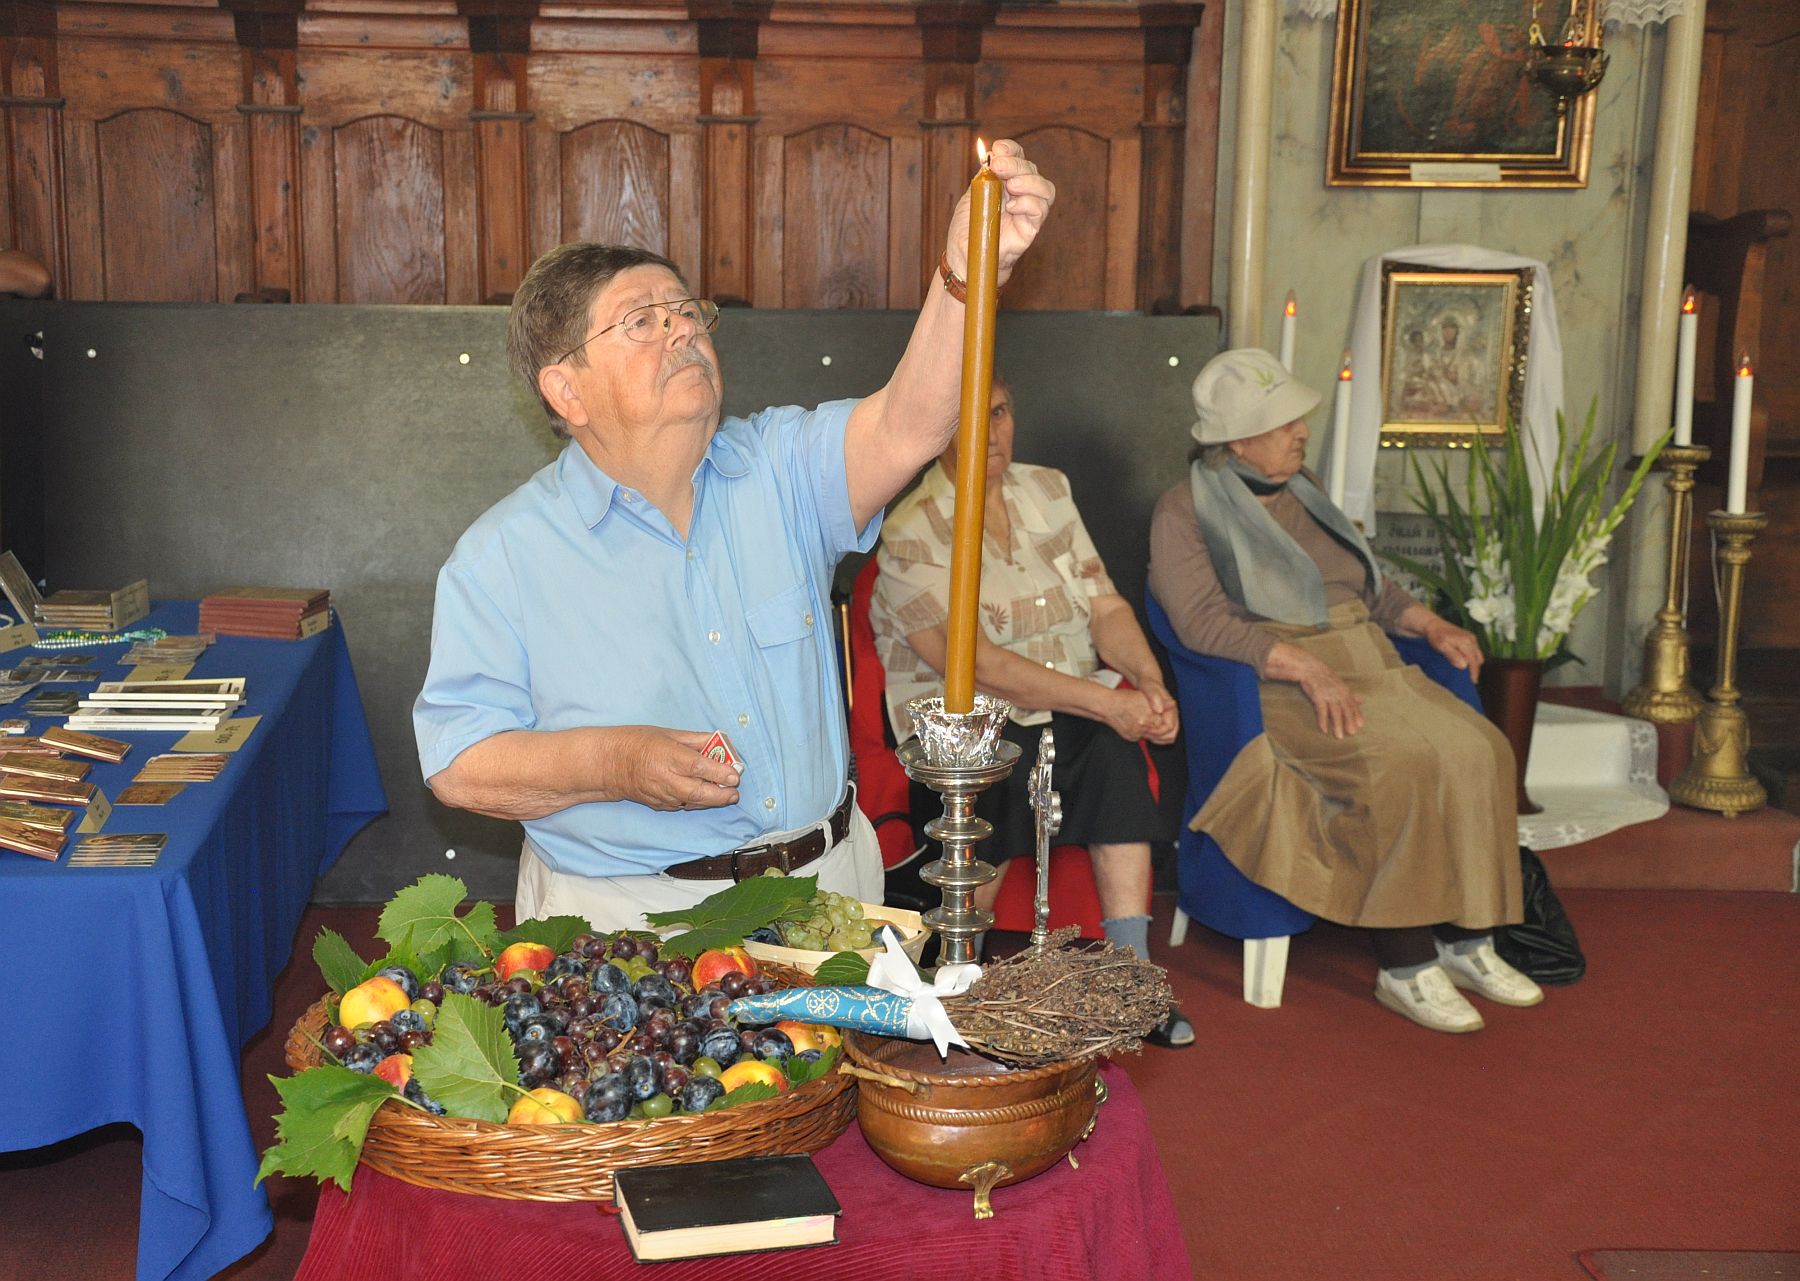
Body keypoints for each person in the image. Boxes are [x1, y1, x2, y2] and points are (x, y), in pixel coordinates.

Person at [413, 142, 1055, 933]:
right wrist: (618, 762)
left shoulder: (780, 469)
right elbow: (460, 764)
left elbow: (911, 421)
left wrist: (968, 269)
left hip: (829, 891)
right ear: (564, 387)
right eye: (641, 322)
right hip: (635, 920)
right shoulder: (503, 556)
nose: (681, 331)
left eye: (687, 312)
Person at [1146, 347, 1541, 1034]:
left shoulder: (1306, 485)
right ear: (1236, 439)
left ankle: (1467, 939)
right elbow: (1198, 622)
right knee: (1394, 765)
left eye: (1298, 419)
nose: (1301, 431)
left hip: (1369, 658)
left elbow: (1371, 587)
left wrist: (1430, 623)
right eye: (1282, 423)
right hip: (1280, 678)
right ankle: (1406, 962)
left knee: (1482, 749)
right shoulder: (1183, 510)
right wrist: (1300, 664)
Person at [871, 375, 1194, 1049]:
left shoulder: (1047, 488)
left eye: (1000, 412)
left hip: (1067, 703)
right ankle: (964, 988)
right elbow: (979, 664)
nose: (991, 431)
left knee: (1111, 758)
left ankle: (1133, 981)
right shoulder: (908, 529)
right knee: (1002, 781)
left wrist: (1147, 679)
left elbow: (1104, 605)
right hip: (961, 728)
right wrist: (1108, 701)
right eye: (969, 419)